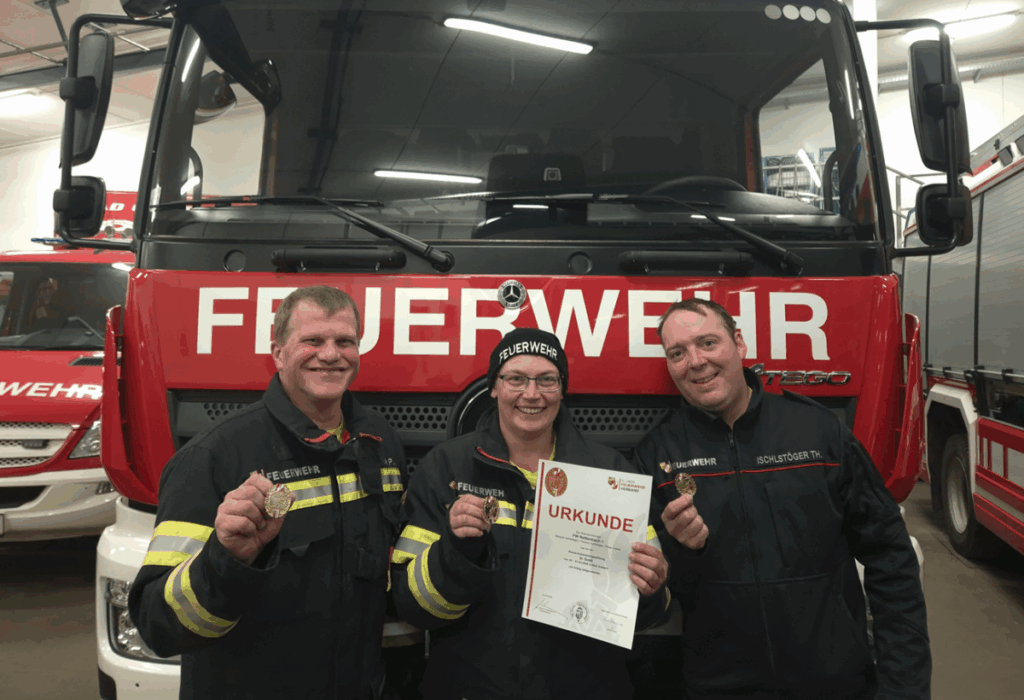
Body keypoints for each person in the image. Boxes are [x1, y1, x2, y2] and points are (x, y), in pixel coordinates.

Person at [636, 297, 930, 700]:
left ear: (739, 343)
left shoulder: (818, 431)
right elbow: (659, 587)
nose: (696, 361)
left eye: (707, 343)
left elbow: (891, 557)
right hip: (718, 686)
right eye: (677, 353)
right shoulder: (657, 453)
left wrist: (904, 688)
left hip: (835, 682)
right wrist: (684, 549)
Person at [129, 286, 406, 699]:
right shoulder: (214, 456)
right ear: (278, 353)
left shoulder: (379, 442)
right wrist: (227, 559)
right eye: (313, 340)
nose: (331, 354)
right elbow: (158, 626)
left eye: (345, 341)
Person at [390, 327, 671, 700]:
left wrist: (650, 589)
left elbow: (649, 613)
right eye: (516, 379)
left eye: (547, 380)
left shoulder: (612, 474)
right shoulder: (446, 468)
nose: (532, 394)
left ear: (562, 389)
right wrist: (458, 550)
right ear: (494, 387)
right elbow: (413, 606)